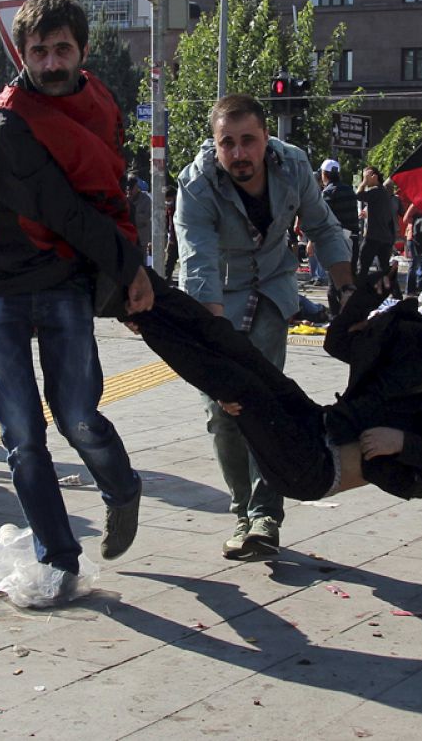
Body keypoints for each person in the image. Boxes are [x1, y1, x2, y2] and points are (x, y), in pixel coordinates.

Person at [0, 0, 152, 595]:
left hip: (61, 279)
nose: (50, 61)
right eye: (38, 51)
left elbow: (109, 195)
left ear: (81, 52)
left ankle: (122, 487)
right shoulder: (10, 122)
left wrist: (128, 274)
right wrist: (132, 268)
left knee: (78, 416)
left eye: (62, 49)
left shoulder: (99, 106)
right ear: (23, 54)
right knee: (23, 437)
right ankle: (59, 560)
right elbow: (65, 209)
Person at [130, 269, 422, 501]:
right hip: (315, 422)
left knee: (238, 386)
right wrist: (366, 298)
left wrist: (404, 444)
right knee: (234, 346)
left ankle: (139, 318)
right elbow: (337, 343)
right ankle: (140, 282)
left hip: (316, 469)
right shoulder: (412, 338)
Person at [175, 93, 356, 559]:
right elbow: (198, 264)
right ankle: (241, 511)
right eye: (227, 143)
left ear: (266, 140)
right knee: (223, 411)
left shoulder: (293, 166)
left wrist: (348, 290)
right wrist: (214, 354)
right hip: (218, 299)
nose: (239, 154)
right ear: (215, 146)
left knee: (260, 402)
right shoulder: (196, 185)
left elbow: (323, 227)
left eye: (248, 141)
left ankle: (265, 518)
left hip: (274, 293)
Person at [355, 166, 398, 276]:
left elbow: (359, 195)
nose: (364, 180)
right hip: (383, 236)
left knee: (363, 267)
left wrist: (364, 183)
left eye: (366, 177)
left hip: (373, 237)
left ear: (374, 177)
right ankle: (396, 292)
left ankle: (360, 291)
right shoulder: (382, 192)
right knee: (384, 269)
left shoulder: (377, 191)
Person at [125, 174, 153, 263]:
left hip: (141, 238)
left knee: (141, 263)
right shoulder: (123, 198)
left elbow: (147, 218)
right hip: (127, 237)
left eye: (131, 189)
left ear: (137, 187)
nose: (129, 192)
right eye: (128, 189)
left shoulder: (146, 200)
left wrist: (132, 215)